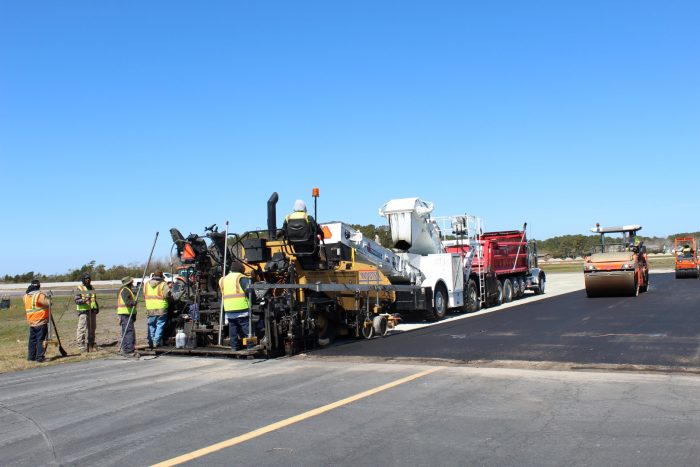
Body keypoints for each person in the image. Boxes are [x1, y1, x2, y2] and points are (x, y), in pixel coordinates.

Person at [219, 262, 251, 351]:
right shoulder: (242, 278)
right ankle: (250, 346)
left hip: (229, 309)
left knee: (233, 329)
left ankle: (234, 347)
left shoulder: (223, 279)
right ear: (241, 270)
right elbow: (249, 292)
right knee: (246, 329)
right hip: (241, 309)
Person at [24, 279, 50, 362]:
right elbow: (49, 303)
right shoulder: (39, 295)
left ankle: (31, 357)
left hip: (32, 322)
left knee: (32, 340)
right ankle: (39, 357)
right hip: (40, 321)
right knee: (41, 340)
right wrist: (47, 296)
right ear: (38, 286)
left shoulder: (25, 296)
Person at [144, 269, 171, 348]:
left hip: (150, 308)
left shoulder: (146, 284)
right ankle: (156, 341)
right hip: (161, 308)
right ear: (161, 276)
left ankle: (151, 341)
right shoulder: (163, 284)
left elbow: (144, 294)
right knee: (160, 325)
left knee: (151, 325)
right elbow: (167, 295)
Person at [74, 272, 99, 352]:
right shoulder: (79, 288)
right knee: (82, 329)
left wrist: (97, 307)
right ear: (83, 280)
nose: (88, 280)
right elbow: (77, 300)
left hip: (92, 311)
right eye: (86, 278)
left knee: (92, 329)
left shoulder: (92, 288)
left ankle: (91, 343)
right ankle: (81, 346)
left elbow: (94, 299)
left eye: (89, 278)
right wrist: (84, 300)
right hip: (83, 312)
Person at [117, 276, 139, 358]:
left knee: (126, 332)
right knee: (129, 332)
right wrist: (133, 302)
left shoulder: (126, 289)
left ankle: (126, 349)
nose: (132, 282)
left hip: (126, 314)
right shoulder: (125, 290)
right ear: (128, 282)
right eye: (131, 281)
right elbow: (127, 302)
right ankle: (129, 350)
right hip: (125, 314)